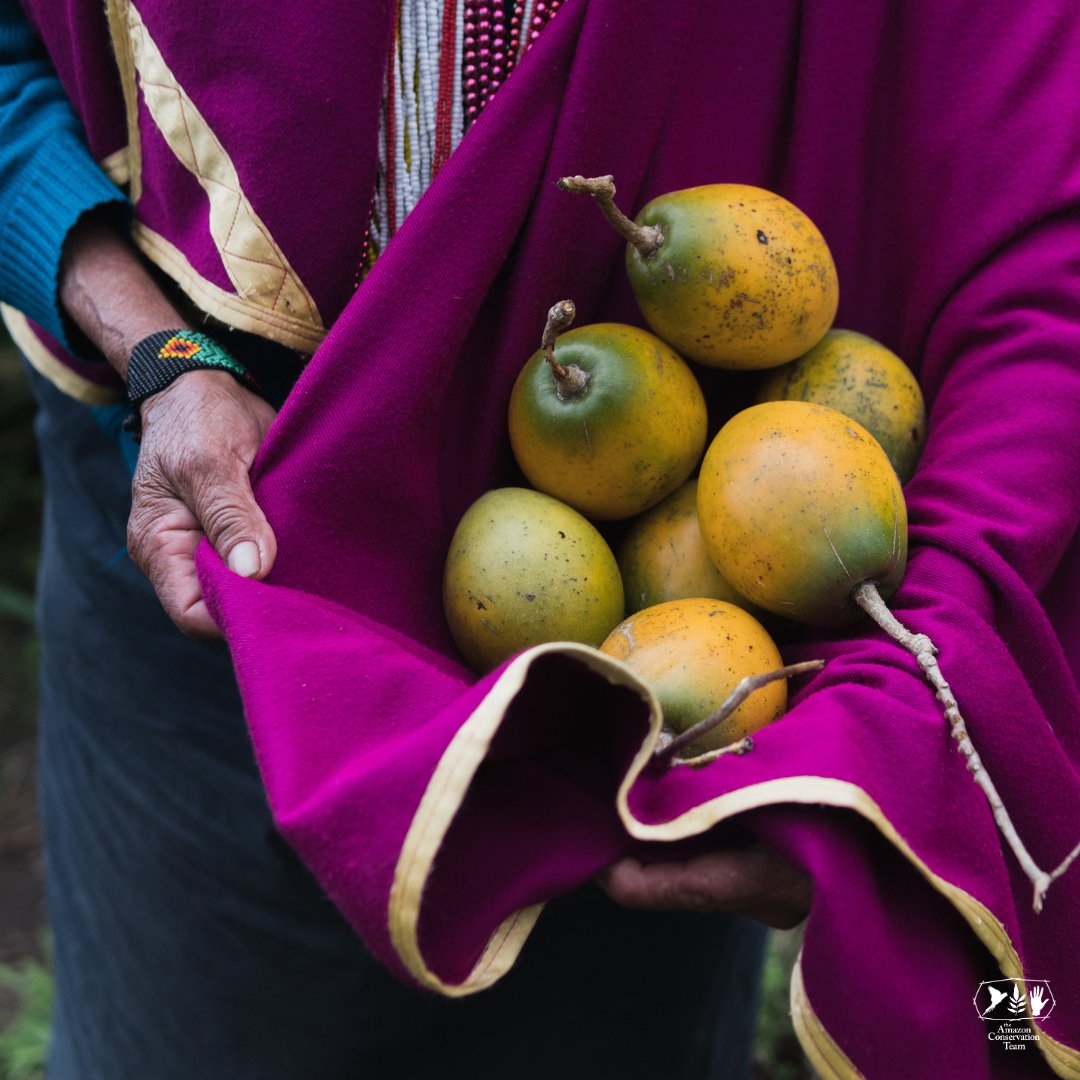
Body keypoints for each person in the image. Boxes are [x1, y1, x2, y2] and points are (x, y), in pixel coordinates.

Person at [1, 1, 813, 1076]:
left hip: (679, 580)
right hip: (227, 524)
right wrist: (154, 353)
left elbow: (1007, 133)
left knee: (629, 1028)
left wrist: (885, 745)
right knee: (194, 1034)